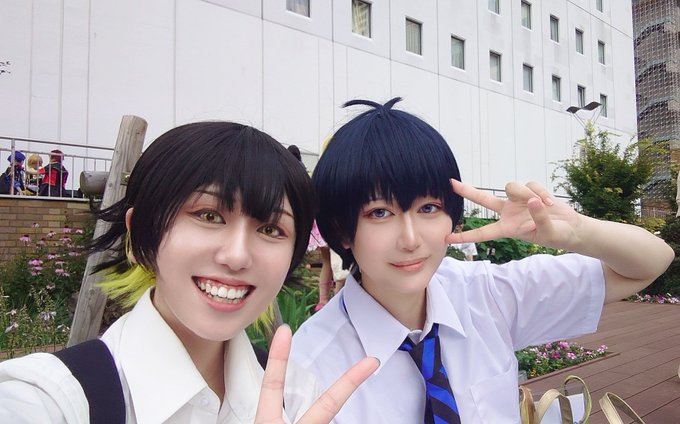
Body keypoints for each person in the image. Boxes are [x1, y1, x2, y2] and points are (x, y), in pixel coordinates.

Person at [285, 98, 674, 423]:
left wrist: (576, 232)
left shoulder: (487, 294)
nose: (411, 239)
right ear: (342, 229)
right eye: (380, 213)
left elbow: (651, 262)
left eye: (428, 208)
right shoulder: (310, 363)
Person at [0, 121, 378, 423]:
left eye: (269, 229)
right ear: (140, 232)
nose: (237, 256)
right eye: (209, 216)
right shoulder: (52, 400)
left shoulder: (297, 397)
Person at [287, 145, 334, 311]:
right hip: (327, 224)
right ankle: (335, 297)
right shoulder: (308, 176)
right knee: (334, 263)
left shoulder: (290, 174)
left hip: (313, 226)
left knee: (328, 262)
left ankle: (323, 300)